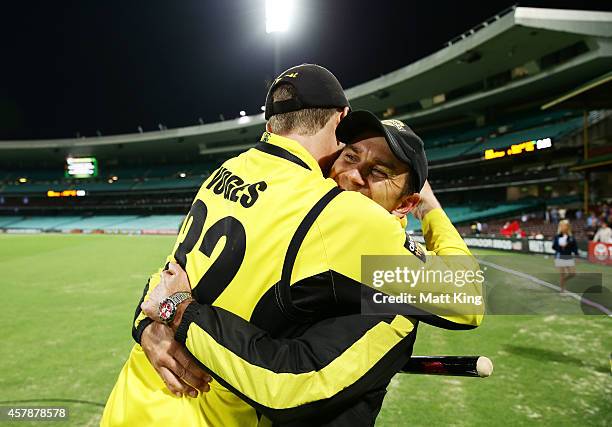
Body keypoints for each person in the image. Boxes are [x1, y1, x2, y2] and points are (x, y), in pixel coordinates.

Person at [102, 65, 482, 426]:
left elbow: (168, 280)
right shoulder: (340, 213)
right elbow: (469, 299)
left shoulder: (224, 173)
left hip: (129, 401)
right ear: (341, 119)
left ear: (270, 124)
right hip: (204, 415)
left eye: (378, 172)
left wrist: (150, 323)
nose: (352, 174)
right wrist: (431, 210)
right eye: (350, 154)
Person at [552, 219, 578, 293]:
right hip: (560, 255)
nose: (564, 227)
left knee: (573, 274)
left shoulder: (571, 237)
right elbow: (554, 247)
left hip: (568, 256)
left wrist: (576, 255)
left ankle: (563, 281)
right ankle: (562, 289)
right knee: (562, 274)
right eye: (563, 226)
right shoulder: (557, 236)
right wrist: (560, 247)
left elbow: (574, 247)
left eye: (566, 226)